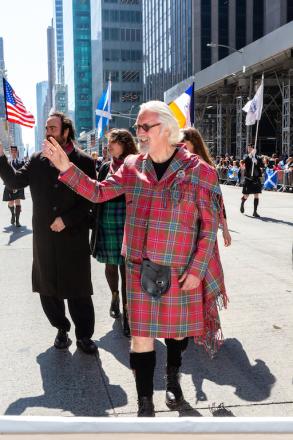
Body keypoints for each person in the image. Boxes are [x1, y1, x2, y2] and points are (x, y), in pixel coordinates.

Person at [43, 101, 228, 417]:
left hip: (181, 268)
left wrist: (197, 270)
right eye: (138, 127)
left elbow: (209, 227)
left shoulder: (200, 171)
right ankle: (145, 404)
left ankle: (173, 375)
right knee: (141, 337)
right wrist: (66, 169)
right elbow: (99, 191)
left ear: (167, 130)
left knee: (177, 335)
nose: (139, 133)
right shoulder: (131, 166)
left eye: (146, 127)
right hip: (139, 267)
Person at [0, 112, 97, 354]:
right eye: (46, 128)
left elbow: (91, 200)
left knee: (79, 291)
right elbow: (13, 182)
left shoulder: (84, 161)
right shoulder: (36, 160)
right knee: (48, 290)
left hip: (73, 237)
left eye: (53, 128)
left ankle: (84, 335)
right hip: (44, 240)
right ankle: (61, 329)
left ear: (65, 132)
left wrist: (67, 219)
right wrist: (1, 156)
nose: (48, 132)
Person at [91, 129, 138, 337]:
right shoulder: (104, 167)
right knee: (111, 265)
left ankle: (128, 313)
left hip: (128, 221)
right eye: (109, 143)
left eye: (113, 143)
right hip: (108, 221)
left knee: (127, 269)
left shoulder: (136, 165)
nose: (108, 146)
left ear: (125, 144)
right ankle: (114, 295)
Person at [181, 127, 231, 247]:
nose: (180, 147)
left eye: (183, 143)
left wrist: (225, 228)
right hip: (182, 224)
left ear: (193, 143)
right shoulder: (179, 165)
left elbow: (219, 200)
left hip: (202, 225)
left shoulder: (207, 169)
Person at [2, 145, 25, 227]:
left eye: (15, 151)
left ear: (17, 152)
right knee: (11, 203)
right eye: (12, 151)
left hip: (18, 184)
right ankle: (13, 214)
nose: (14, 153)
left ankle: (17, 221)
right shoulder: (7, 161)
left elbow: (24, 172)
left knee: (17, 201)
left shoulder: (21, 161)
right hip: (9, 184)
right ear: (11, 152)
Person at [240, 144, 263, 217]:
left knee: (256, 195)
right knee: (246, 195)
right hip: (248, 178)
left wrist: (256, 162)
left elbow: (262, 165)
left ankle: (255, 211)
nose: (248, 150)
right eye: (248, 149)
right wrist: (250, 155)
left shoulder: (258, 157)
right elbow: (244, 161)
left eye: (250, 148)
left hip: (256, 178)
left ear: (254, 149)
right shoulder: (246, 156)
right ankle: (242, 203)